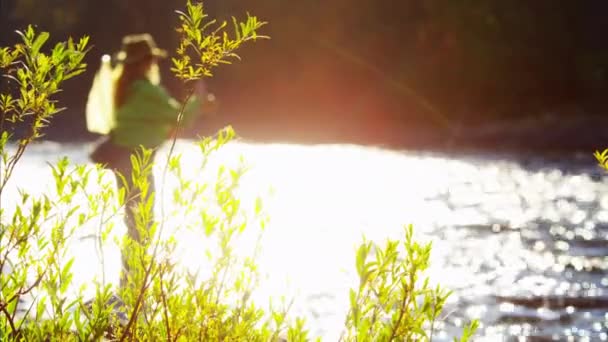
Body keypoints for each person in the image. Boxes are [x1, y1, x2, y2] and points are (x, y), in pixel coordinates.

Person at [86, 33, 212, 287]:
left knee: (135, 222)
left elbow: (161, 120)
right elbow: (181, 118)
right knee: (142, 223)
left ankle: (130, 282)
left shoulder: (125, 88)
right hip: (136, 162)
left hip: (125, 161)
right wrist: (199, 96)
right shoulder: (145, 90)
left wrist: (194, 107)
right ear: (145, 62)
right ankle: (131, 284)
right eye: (151, 60)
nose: (153, 64)